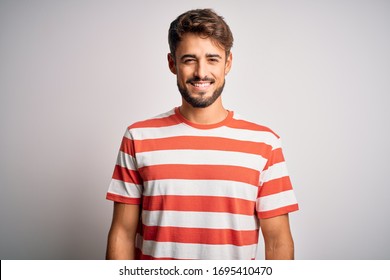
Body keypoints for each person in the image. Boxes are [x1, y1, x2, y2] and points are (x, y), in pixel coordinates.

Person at [105, 8, 299, 260]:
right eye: (189, 59)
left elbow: (278, 242)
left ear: (228, 63)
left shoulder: (264, 144)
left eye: (212, 59)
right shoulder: (138, 137)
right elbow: (122, 232)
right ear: (172, 63)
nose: (201, 72)